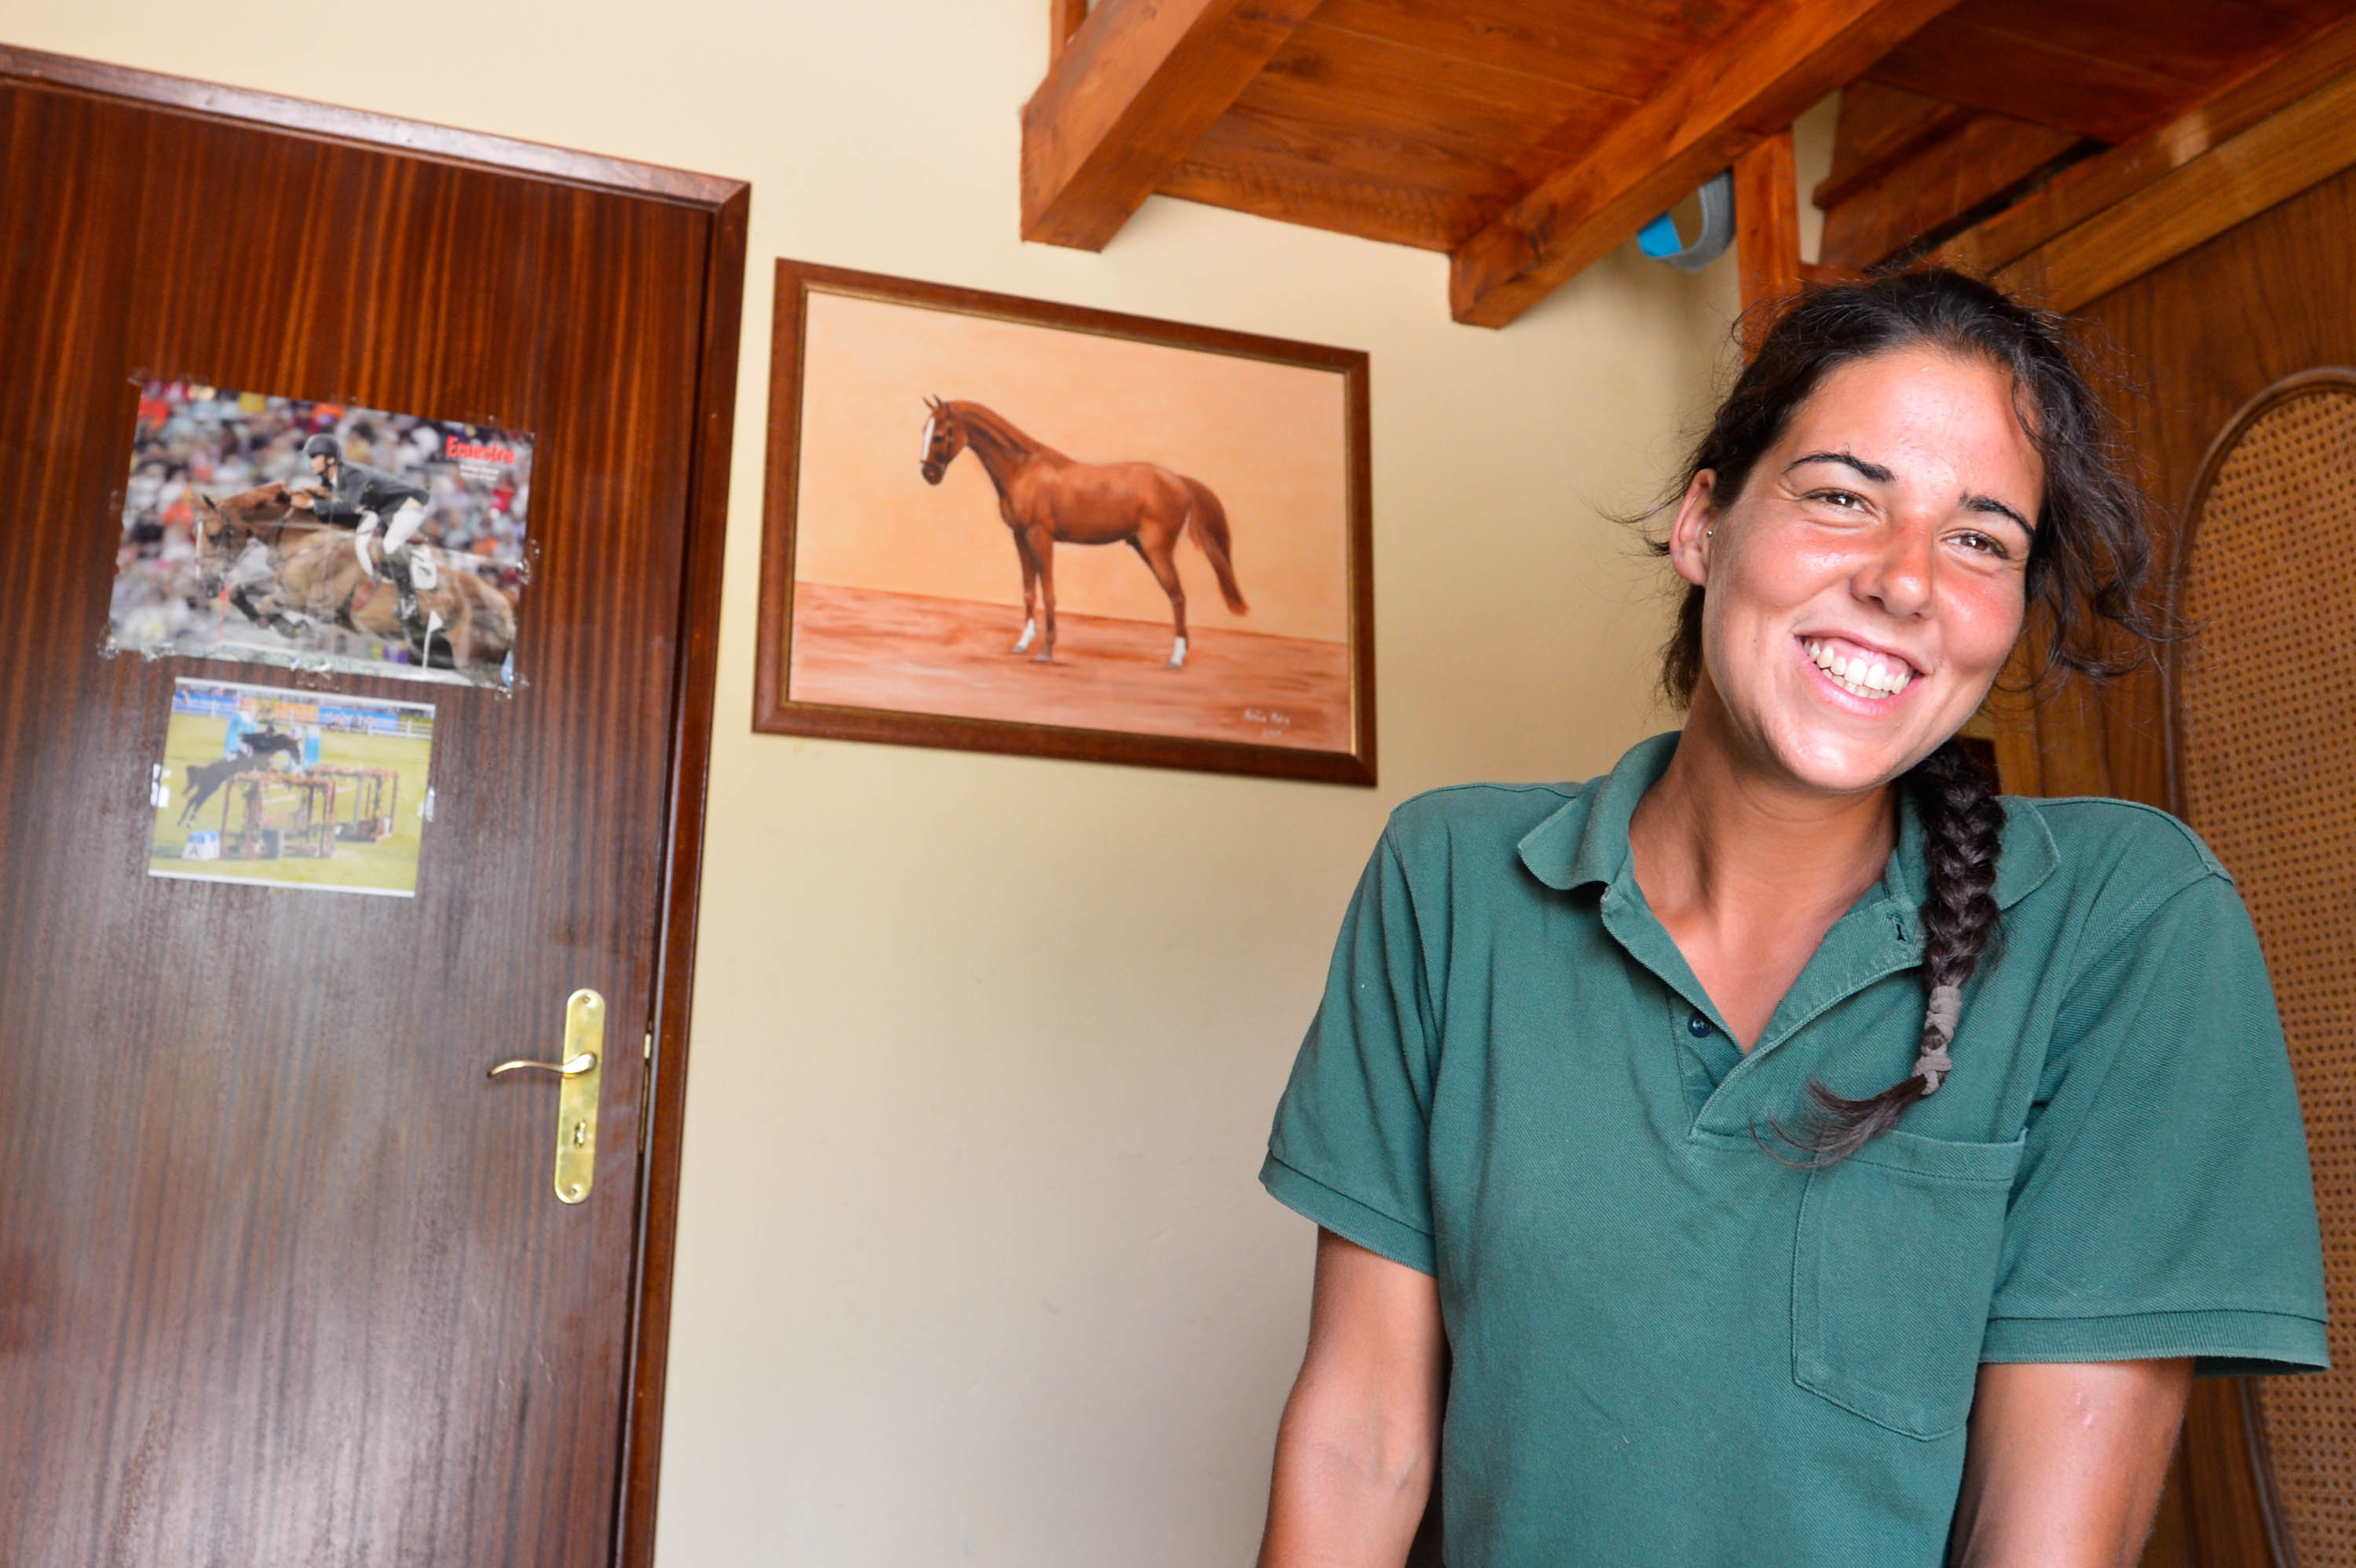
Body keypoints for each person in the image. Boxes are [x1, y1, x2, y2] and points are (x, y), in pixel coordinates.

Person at [1255, 270, 2328, 1568]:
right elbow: (1362, 1437)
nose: (1906, 580)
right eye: (1842, 497)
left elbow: (2048, 1542)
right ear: (1703, 524)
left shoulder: (2124, 920)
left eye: (1981, 539)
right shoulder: (1452, 881)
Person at [288, 432, 437, 637]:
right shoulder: (329, 479)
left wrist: (311, 504)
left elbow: (348, 507)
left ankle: (409, 603)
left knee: (390, 545)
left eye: (314, 457)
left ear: (330, 460)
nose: (310, 461)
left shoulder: (353, 475)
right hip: (382, 510)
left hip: (410, 504)